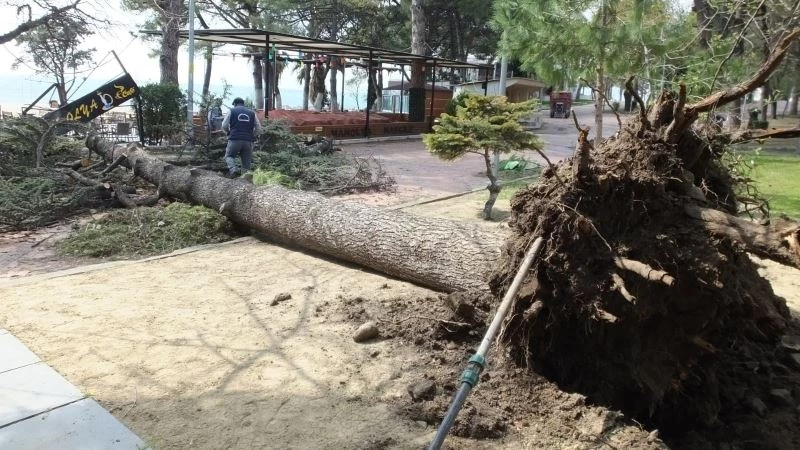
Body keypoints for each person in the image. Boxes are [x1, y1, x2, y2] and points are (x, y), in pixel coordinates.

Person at [221, 97, 261, 177]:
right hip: (248, 141)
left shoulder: (232, 111)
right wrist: (254, 135)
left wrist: (228, 132)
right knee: (246, 163)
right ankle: (246, 180)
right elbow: (258, 128)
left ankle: (233, 169)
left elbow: (224, 125)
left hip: (235, 139)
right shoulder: (252, 113)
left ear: (235, 104)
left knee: (229, 156)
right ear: (243, 104)